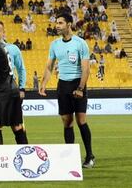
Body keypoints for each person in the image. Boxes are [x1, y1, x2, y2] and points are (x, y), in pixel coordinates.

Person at [39, 13, 95, 168]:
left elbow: (86, 69)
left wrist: (80, 88)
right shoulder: (55, 44)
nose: (57, 25)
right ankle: (71, 158)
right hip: (62, 85)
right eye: (56, 23)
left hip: (77, 84)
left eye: (60, 23)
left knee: (81, 120)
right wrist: (43, 83)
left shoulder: (80, 43)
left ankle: (89, 155)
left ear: (69, 24)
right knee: (67, 122)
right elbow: (49, 66)